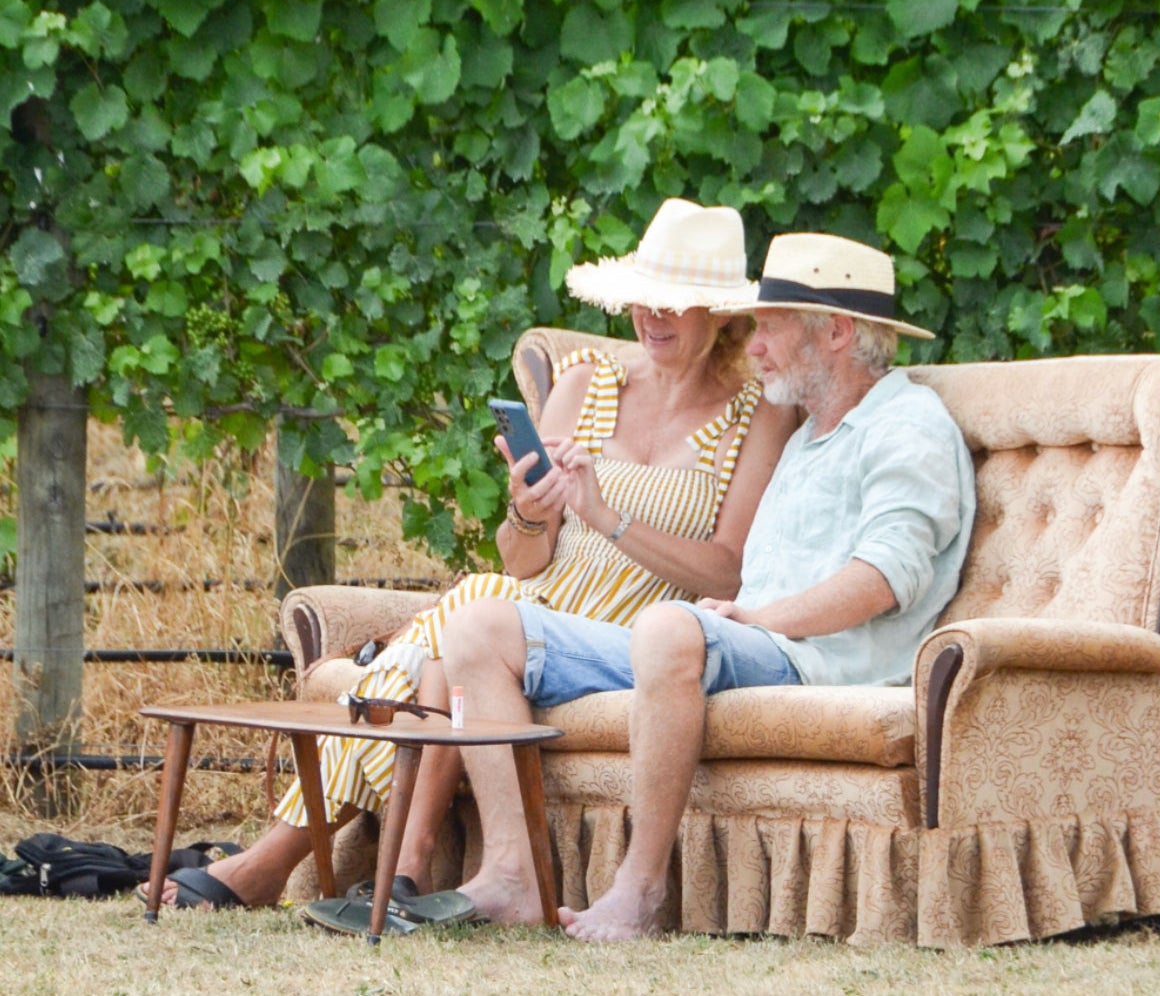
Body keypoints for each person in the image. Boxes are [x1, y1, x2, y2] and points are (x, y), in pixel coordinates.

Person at [144, 198, 798, 921]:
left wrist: (604, 514)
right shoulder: (586, 382)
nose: (653, 316)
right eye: (641, 297)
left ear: (721, 313)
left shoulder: (755, 413)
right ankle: (408, 861)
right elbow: (520, 559)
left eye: (676, 302)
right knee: (466, 617)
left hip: (632, 628)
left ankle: (285, 860)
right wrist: (531, 507)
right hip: (535, 599)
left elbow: (726, 571)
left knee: (428, 654)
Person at [432, 230, 976, 939]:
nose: (753, 348)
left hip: (815, 659)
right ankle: (512, 874)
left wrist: (759, 617)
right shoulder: (812, 433)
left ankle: (640, 891)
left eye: (772, 329)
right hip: (748, 637)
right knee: (481, 627)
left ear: (838, 332)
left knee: (666, 625)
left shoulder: (906, 427)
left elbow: (882, 578)